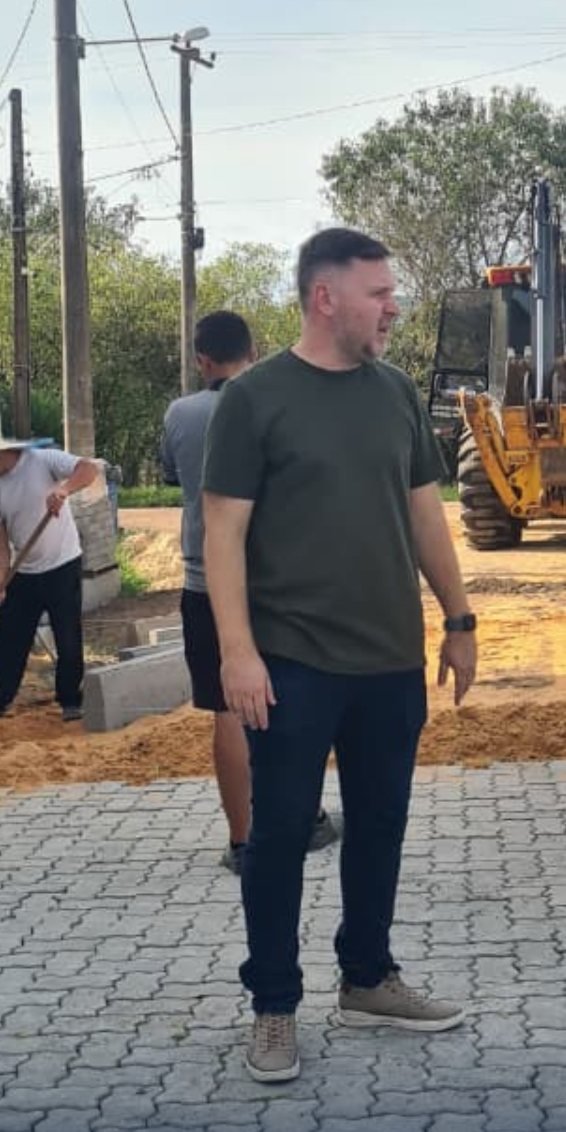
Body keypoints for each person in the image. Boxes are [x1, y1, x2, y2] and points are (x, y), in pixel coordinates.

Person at [203, 227, 477, 1082]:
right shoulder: (254, 400)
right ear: (326, 298)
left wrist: (459, 618)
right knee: (279, 835)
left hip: (390, 659)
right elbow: (222, 533)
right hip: (290, 662)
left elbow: (426, 513)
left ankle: (367, 979)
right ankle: (274, 1006)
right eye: (379, 293)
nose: (394, 306)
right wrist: (238, 654)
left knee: (381, 825)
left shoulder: (396, 393)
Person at [162, 311, 340, 875]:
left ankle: (244, 843)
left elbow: (174, 476)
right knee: (296, 701)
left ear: (201, 360)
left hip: (205, 582)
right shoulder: (283, 403)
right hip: (280, 582)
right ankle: (306, 818)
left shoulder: (181, 414)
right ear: (254, 352)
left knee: (227, 710)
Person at [0, 425, 99, 722]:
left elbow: (89, 469)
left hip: (63, 564)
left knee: (68, 636)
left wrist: (63, 489)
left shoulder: (42, 461)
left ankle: (71, 701)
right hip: (25, 570)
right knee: (10, 638)